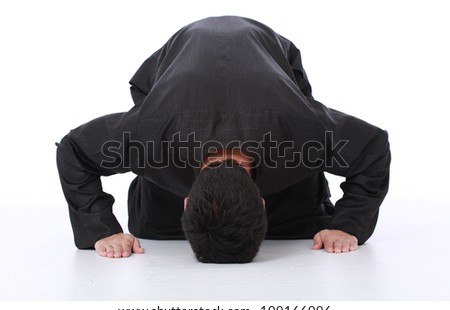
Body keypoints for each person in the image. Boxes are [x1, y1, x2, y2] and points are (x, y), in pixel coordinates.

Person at [56, 16, 391, 263]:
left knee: (302, 222)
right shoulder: (149, 132)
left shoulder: (301, 130)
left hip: (272, 63)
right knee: (152, 224)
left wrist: (349, 224)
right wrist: (101, 229)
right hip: (170, 73)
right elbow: (73, 151)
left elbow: (372, 146)